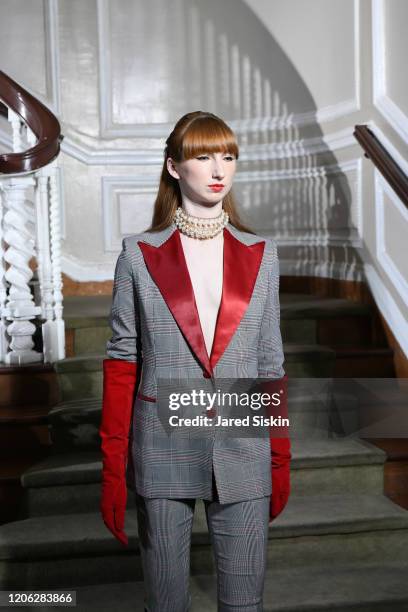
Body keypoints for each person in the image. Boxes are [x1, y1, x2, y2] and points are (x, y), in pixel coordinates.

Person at [99, 110, 291, 612]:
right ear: (173, 167)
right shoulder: (138, 255)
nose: (217, 169)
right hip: (161, 447)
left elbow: (270, 361)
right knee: (165, 604)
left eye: (227, 156)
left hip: (242, 448)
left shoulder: (261, 254)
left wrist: (280, 457)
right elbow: (122, 365)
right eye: (202, 156)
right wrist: (113, 468)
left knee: (245, 604)